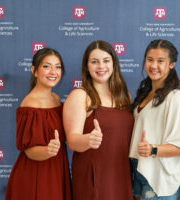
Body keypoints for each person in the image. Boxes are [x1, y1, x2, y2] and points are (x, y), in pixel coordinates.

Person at [63, 40, 134, 200]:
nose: (101, 66)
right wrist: (88, 140)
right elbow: (72, 140)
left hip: (121, 172)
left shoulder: (124, 96)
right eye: (94, 62)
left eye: (106, 60)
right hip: (94, 175)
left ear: (114, 63)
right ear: (87, 66)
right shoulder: (80, 95)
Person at [129, 40, 180, 200]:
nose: (154, 66)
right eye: (150, 59)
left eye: (160, 61)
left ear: (172, 64)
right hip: (140, 171)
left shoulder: (174, 98)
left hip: (160, 179)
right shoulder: (145, 94)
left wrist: (153, 149)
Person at [5, 48, 72, 200]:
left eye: (58, 66)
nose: (53, 71)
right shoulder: (30, 104)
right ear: (34, 71)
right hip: (37, 173)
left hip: (56, 169)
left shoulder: (55, 98)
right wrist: (48, 150)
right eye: (46, 66)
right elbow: (29, 151)